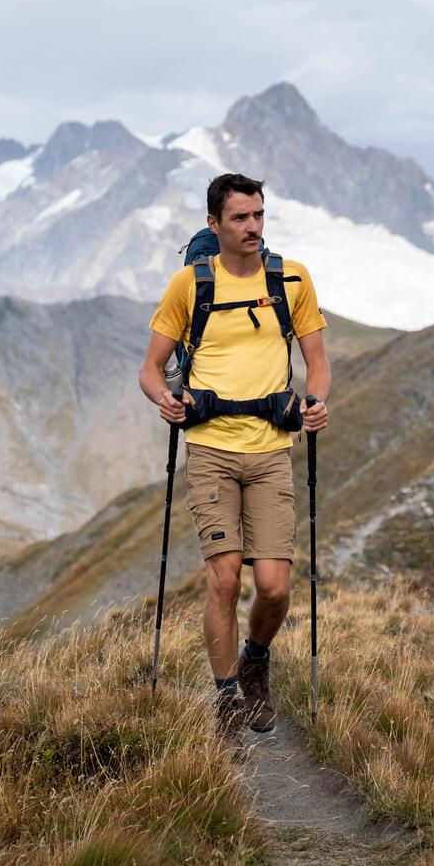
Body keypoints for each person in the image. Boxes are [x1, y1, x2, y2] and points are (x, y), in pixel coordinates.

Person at [139, 173, 330, 750]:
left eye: (259, 216)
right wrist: (164, 399)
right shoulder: (189, 285)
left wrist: (317, 403)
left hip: (272, 451)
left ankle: (254, 662)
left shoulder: (292, 281)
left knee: (273, 589)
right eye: (240, 218)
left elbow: (317, 362)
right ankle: (226, 699)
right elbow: (150, 369)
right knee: (224, 578)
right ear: (214, 224)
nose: (253, 227)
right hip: (211, 452)